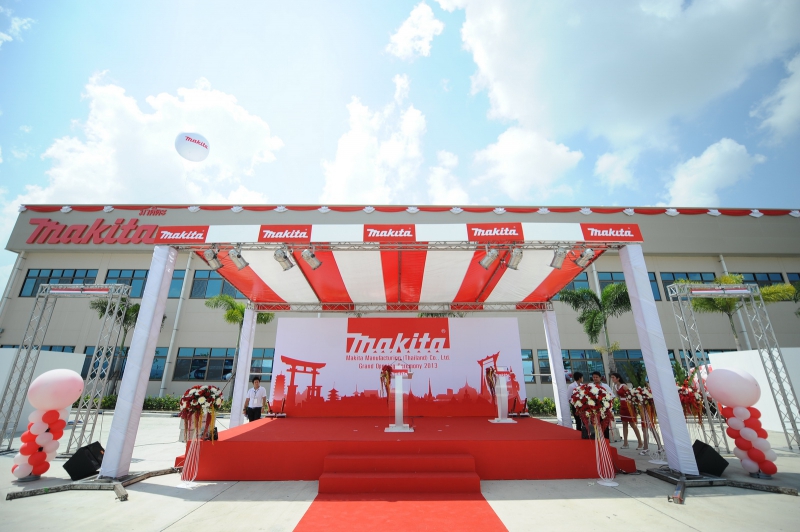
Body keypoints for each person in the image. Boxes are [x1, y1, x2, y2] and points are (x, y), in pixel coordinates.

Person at [610, 372, 643, 450]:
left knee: (633, 425)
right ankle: (625, 443)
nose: (612, 379)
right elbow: (617, 396)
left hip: (628, 405)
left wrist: (633, 406)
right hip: (622, 405)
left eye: (613, 377)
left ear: (618, 378)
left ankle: (640, 442)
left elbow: (631, 395)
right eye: (611, 377)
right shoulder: (615, 386)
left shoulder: (624, 386)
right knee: (624, 424)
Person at [590, 371, 613, 440]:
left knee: (605, 425)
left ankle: (606, 440)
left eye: (596, 377)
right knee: (595, 425)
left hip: (604, 410)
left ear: (600, 378)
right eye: (594, 377)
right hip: (594, 410)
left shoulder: (605, 386)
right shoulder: (590, 386)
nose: (595, 378)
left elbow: (612, 397)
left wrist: (609, 407)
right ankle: (597, 441)